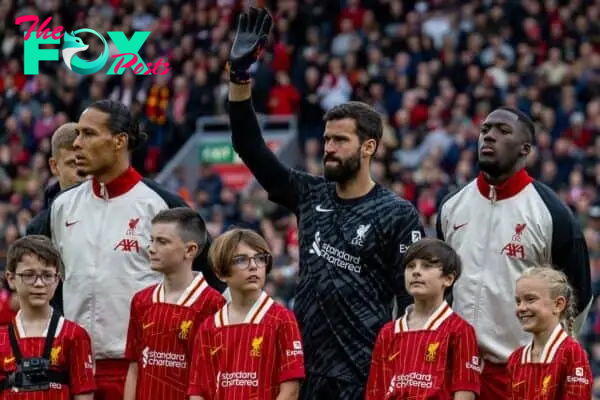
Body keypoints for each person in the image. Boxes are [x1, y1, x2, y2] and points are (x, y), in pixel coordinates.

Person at [227, 8, 424, 399]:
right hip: (303, 370)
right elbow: (250, 147)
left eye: (340, 141)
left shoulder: (398, 214)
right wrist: (239, 79)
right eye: (327, 139)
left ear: (368, 147)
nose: (328, 148)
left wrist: (403, 376)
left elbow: (413, 303)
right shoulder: (311, 193)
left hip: (365, 374)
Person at [34, 99, 226, 400]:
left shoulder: (162, 205)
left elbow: (215, 283)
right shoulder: (61, 207)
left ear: (119, 141)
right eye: (77, 135)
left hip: (144, 369)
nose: (78, 143)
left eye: (88, 134)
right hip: (74, 367)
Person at [436, 106, 592, 399]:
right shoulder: (451, 206)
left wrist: (549, 357)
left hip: (517, 374)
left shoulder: (553, 214)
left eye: (502, 131)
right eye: (485, 130)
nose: (489, 137)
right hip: (455, 370)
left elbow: (578, 295)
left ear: (526, 149)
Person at [188, 228, 305, 400]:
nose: (253, 266)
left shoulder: (283, 319)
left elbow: (290, 390)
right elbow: (197, 391)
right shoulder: (209, 327)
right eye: (241, 260)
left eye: (260, 258)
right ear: (221, 273)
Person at [123, 207, 225, 400]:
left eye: (162, 242)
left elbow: (217, 375)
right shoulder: (141, 300)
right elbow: (134, 367)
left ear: (190, 250)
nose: (151, 248)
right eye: (152, 240)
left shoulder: (214, 304)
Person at [366, 238, 480, 400]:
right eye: (410, 266)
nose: (416, 272)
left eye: (427, 266)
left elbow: (465, 390)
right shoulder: (388, 332)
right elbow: (375, 391)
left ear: (448, 279)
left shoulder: (460, 330)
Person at [0, 235, 96, 399]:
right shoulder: (2, 338)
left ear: (57, 280)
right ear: (11, 279)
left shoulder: (75, 335)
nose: (39, 283)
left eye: (47, 275)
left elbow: (84, 395)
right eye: (29, 275)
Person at [27, 122, 88, 313]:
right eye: (72, 164)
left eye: (85, 163)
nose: (82, 174)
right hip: (61, 331)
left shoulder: (114, 212)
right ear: (54, 166)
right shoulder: (39, 227)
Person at [507, 265, 592, 399]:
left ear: (558, 304)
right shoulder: (515, 359)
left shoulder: (573, 354)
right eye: (518, 301)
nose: (521, 308)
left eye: (530, 299)